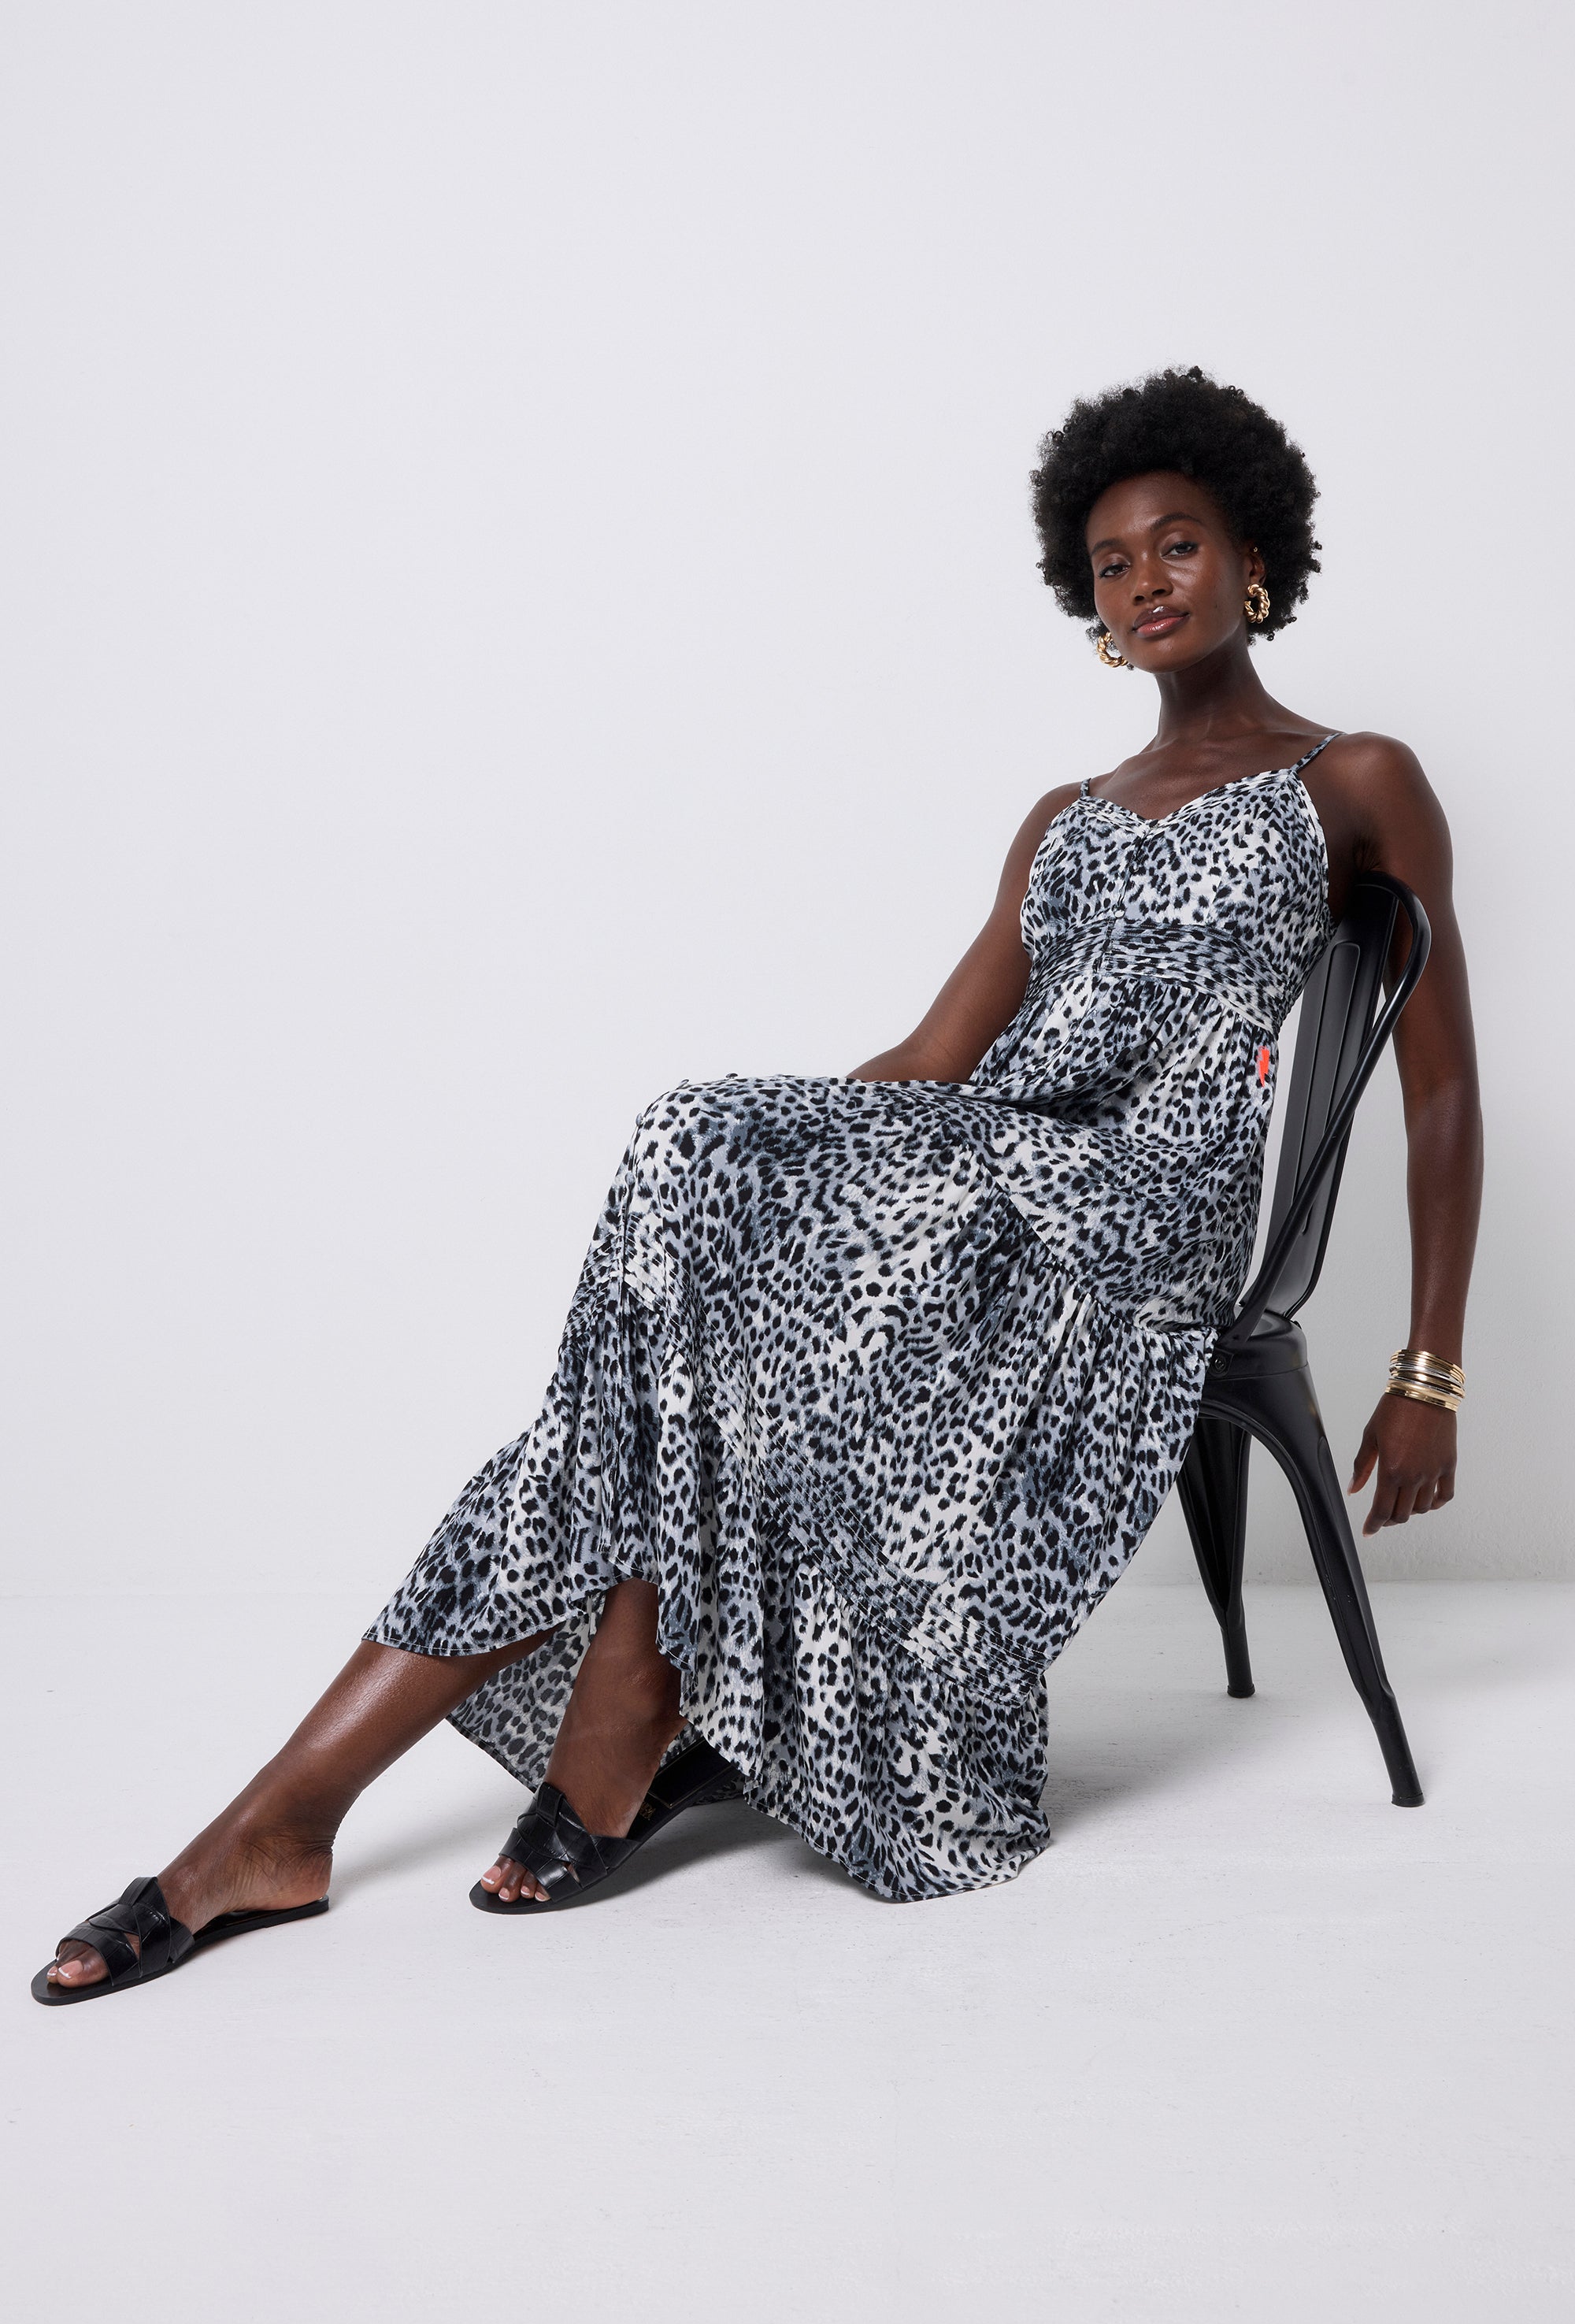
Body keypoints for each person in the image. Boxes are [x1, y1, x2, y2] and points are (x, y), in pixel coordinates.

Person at [35, 365, 1482, 2003]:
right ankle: (377, 1785)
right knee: (699, 1147)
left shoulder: (1356, 777)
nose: (1144, 580)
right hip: (981, 1176)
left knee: (705, 1175)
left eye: (1178, 544)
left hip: (1141, 1219)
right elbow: (934, 1057)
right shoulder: (1063, 819)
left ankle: (494, 1754)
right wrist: (775, 1170)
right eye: (1109, 564)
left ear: (1253, 560)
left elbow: (1440, 1089)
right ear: (1085, 605)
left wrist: (1429, 1366)